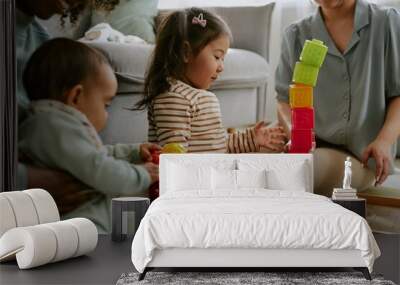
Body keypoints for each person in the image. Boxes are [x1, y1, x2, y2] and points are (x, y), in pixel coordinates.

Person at [18, 38, 159, 233]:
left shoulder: (54, 126)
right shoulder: (53, 126)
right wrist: (143, 174)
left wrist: (132, 152)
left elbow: (93, 155)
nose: (107, 114)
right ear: (76, 96)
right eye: (106, 104)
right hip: (75, 224)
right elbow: (99, 167)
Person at [275, 0, 400, 196]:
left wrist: (384, 142)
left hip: (363, 157)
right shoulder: (295, 34)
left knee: (300, 172)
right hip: (313, 147)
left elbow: (398, 94)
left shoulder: (386, 22)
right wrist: (297, 135)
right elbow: (284, 99)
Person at [15, 0, 118, 213]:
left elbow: (89, 156)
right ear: (76, 96)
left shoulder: (41, 46)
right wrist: (24, 179)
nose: (65, 8)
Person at [136, 8, 286, 153]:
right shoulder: (174, 97)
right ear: (186, 52)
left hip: (211, 172)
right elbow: (174, 156)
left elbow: (218, 145)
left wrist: (252, 139)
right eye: (217, 57)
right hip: (195, 177)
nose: (221, 67)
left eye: (223, 59)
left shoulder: (198, 96)